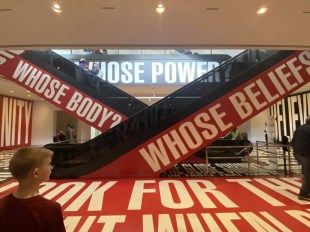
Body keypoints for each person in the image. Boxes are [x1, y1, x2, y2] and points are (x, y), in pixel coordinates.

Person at [0, 147, 66, 231]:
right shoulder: (50, 209)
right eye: (49, 164)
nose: (51, 167)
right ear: (36, 173)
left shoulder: (2, 205)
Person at [291, 116, 310, 201]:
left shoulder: (299, 128)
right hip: (306, 154)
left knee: (307, 173)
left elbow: (292, 142)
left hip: (297, 153)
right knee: (308, 175)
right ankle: (303, 194)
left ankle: (306, 191)